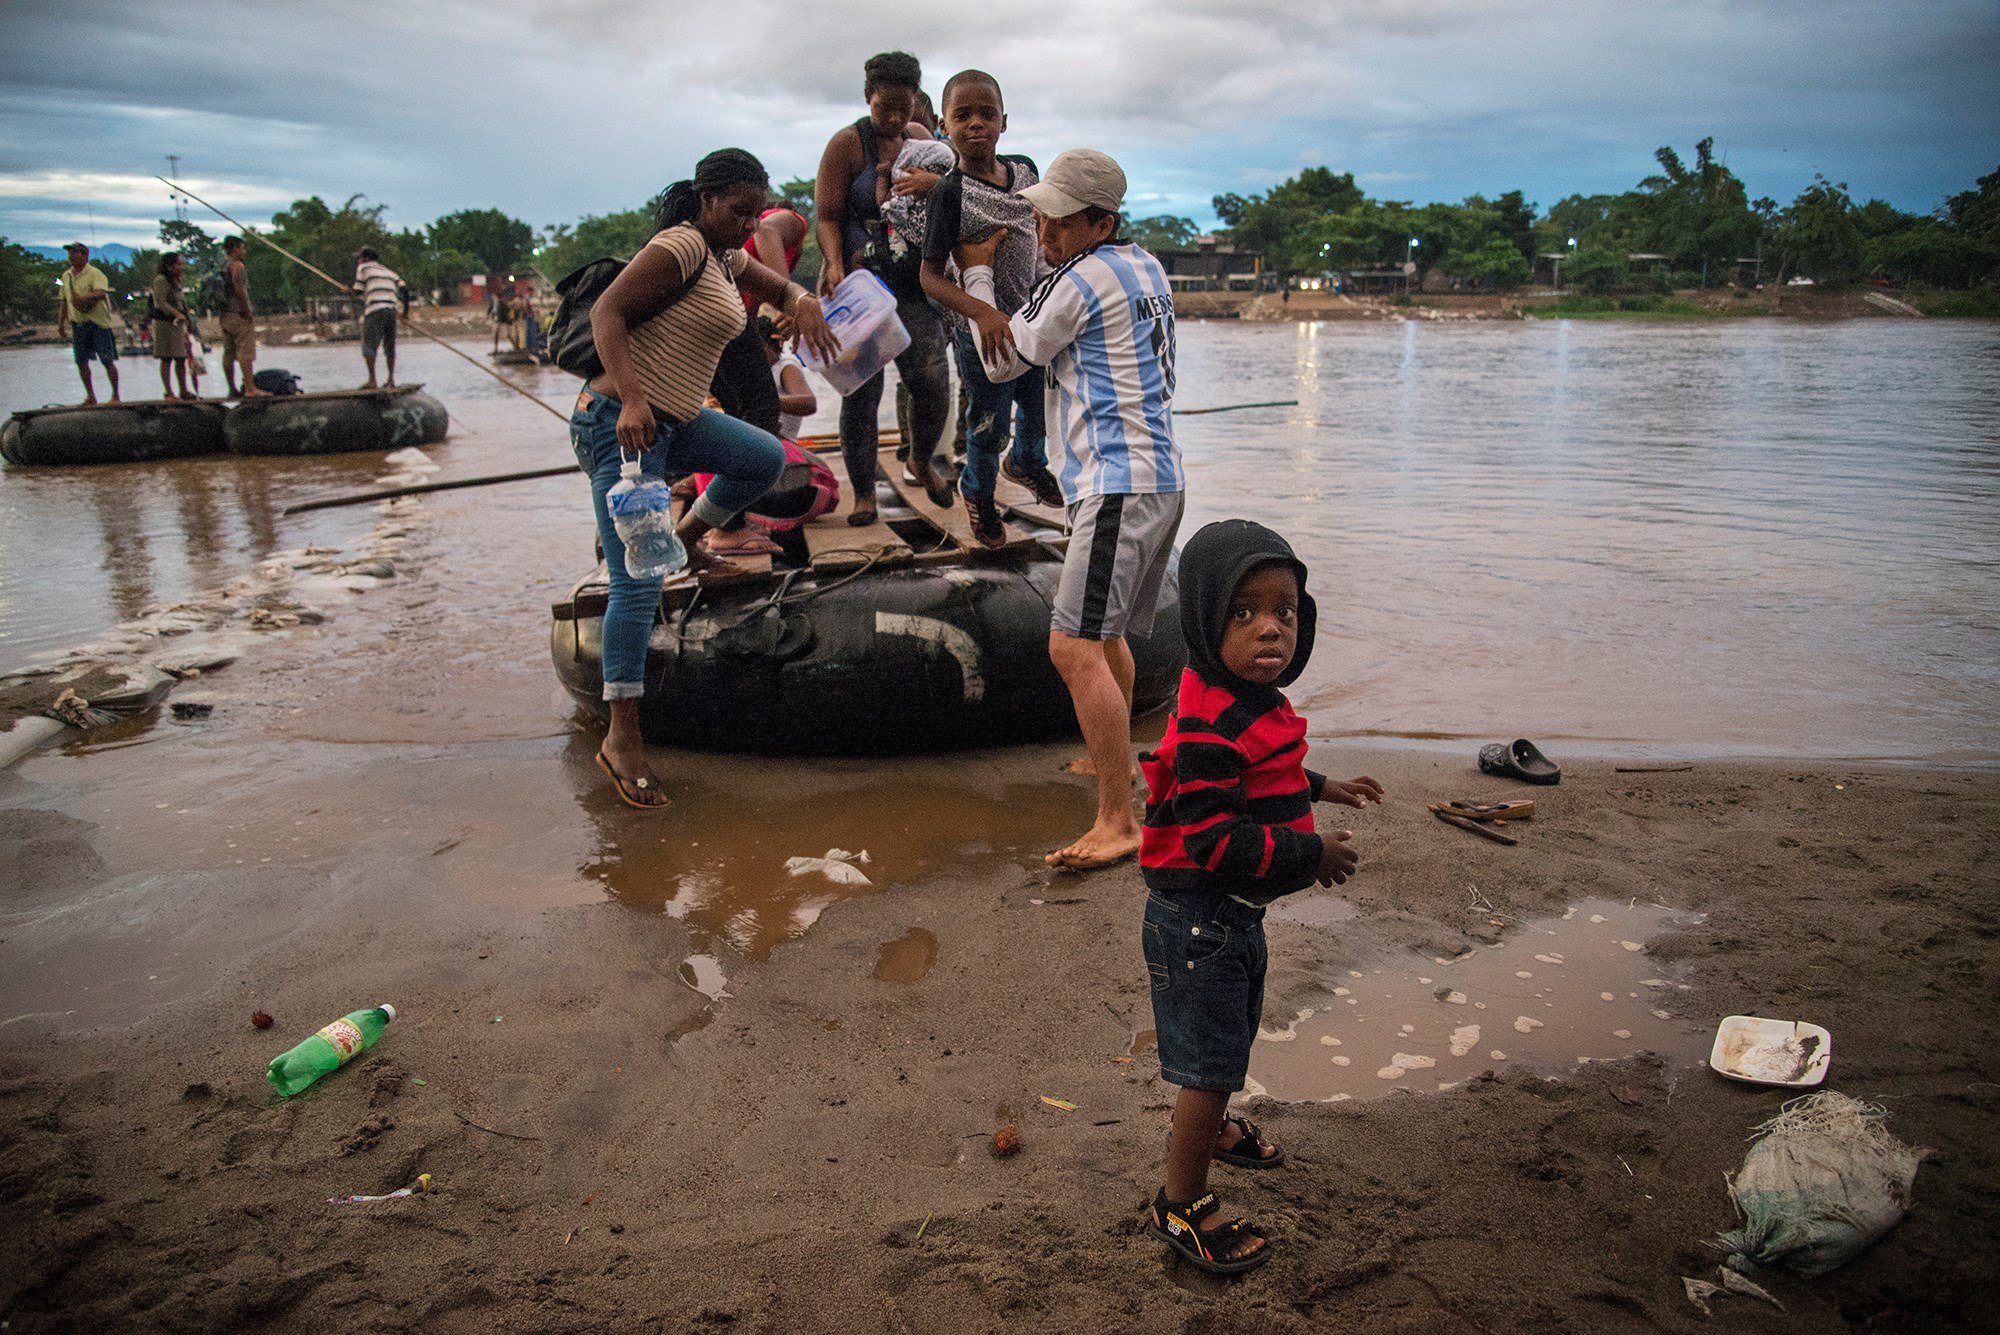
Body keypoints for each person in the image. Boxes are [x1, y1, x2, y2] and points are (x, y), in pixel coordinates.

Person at [1138, 518, 1383, 1275]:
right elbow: (1216, 839)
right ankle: (1181, 1200)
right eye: (1244, 613)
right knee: (1209, 1064)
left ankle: (1210, 1130)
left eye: (1285, 609)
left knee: (1232, 1036)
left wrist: (1322, 786)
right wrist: (1311, 855)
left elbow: (1265, 771)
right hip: (1199, 920)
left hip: (1229, 919)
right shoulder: (1209, 721)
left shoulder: (1244, 698)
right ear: (1208, 620)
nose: (1270, 628)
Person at [574, 147, 838, 810]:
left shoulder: (724, 254)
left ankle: (686, 536)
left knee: (765, 457)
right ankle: (622, 736)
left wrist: (800, 298)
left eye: (755, 212)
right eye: (735, 209)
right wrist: (633, 397)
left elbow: (775, 284)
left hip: (681, 421)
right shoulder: (682, 246)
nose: (745, 222)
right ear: (704, 198)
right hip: (620, 422)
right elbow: (608, 312)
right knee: (634, 586)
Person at [957, 148, 1185, 868]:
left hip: (1119, 480)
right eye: (1041, 214)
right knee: (1105, 632)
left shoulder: (1081, 280)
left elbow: (999, 360)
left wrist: (975, 272)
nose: (1043, 231)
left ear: (1100, 221)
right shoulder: (1144, 264)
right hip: (1157, 476)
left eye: (1056, 220)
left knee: (1072, 644)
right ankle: (1110, 763)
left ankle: (1118, 819)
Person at [919, 70, 1064, 548]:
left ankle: (1027, 463)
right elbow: (930, 277)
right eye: (963, 116)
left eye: (987, 114)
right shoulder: (949, 193)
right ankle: (978, 491)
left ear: (1005, 122)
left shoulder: (1025, 171)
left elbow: (1042, 230)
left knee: (1039, 405)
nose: (976, 124)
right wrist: (981, 314)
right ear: (944, 125)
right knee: (988, 420)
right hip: (982, 332)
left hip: (1031, 318)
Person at [812, 49, 954, 524]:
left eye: (904, 107)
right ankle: (864, 495)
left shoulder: (922, 140)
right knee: (863, 393)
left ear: (916, 102)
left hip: (913, 283)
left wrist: (933, 183)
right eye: (883, 108)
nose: (894, 118)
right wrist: (833, 264)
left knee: (931, 383)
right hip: (863, 285)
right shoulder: (846, 146)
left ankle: (920, 458)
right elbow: (828, 216)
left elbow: (951, 195)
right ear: (867, 98)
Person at [56, 241, 119, 404]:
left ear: (84, 255)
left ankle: (115, 395)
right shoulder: (66, 276)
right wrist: (61, 323)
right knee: (81, 361)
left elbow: (101, 293)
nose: (71, 257)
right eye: (70, 254)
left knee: (107, 360)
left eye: (75, 253)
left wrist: (84, 298)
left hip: (98, 323)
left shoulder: (95, 273)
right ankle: (91, 396)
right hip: (78, 323)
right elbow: (64, 300)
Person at [218, 237, 267, 397]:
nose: (244, 252)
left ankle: (231, 388)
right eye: (242, 248)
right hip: (238, 314)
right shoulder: (237, 266)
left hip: (224, 315)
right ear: (235, 249)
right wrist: (247, 311)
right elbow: (239, 290)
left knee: (228, 352)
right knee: (245, 351)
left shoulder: (222, 265)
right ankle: (250, 388)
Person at [353, 247, 402, 389]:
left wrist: (350, 291)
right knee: (389, 346)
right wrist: (404, 313)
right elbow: (404, 289)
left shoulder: (363, 268)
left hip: (375, 310)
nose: (358, 261)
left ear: (365, 259)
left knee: (369, 345)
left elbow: (357, 291)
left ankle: (372, 381)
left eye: (360, 258)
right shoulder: (388, 272)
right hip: (392, 310)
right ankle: (391, 380)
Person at [149, 252, 196, 400]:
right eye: (179, 264)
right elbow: (160, 302)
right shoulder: (161, 280)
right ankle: (169, 392)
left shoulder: (176, 280)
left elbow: (182, 302)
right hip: (164, 323)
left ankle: (183, 390)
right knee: (166, 358)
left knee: (181, 357)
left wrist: (187, 320)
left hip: (177, 325)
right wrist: (176, 313)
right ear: (170, 266)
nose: (181, 267)